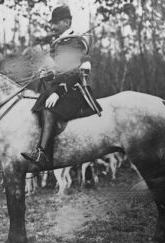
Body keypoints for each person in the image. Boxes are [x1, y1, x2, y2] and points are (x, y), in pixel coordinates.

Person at [21, 5, 101, 168]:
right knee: (38, 103)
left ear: (67, 22)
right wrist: (48, 75)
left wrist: (58, 92)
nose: (52, 26)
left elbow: (74, 71)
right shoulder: (60, 42)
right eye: (52, 23)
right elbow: (60, 71)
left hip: (74, 90)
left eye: (56, 23)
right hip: (63, 87)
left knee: (48, 110)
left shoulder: (74, 41)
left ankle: (42, 153)